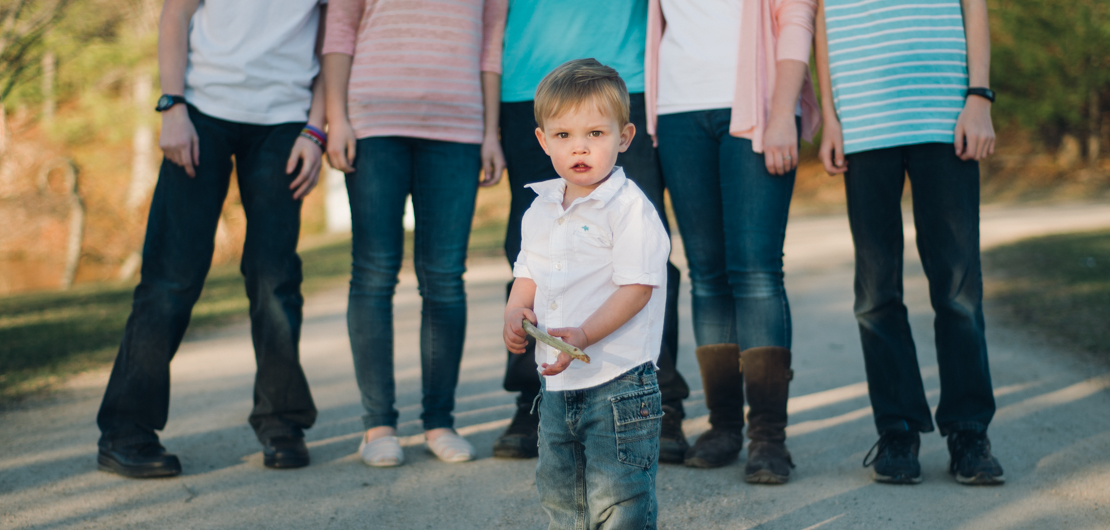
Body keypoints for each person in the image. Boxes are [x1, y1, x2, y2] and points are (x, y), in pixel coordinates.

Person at [96, 0, 328, 478]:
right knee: (171, 277)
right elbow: (175, 14)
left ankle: (281, 421)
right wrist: (172, 104)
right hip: (201, 112)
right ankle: (126, 429)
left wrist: (315, 129)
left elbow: (333, 41)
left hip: (285, 122)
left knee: (275, 276)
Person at [503, 60, 669, 530]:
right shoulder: (542, 207)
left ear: (623, 137)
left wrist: (586, 333)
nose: (581, 147)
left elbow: (637, 288)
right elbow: (528, 271)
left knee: (620, 487)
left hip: (620, 377)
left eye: (596, 134)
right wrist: (513, 308)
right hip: (560, 379)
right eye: (566, 135)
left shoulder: (630, 210)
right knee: (562, 484)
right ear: (542, 140)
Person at [491, 0, 691, 464]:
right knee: (538, 240)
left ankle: (657, 400)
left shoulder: (618, 131)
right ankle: (535, 394)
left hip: (625, 79)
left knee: (637, 246)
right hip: (529, 78)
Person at [815, 0, 1004, 485]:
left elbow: (973, 5)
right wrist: (830, 117)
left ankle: (968, 431)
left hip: (945, 119)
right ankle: (898, 429)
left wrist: (979, 96)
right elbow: (821, 19)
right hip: (864, 125)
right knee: (876, 293)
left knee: (958, 289)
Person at [322, 0, 507, 467]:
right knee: (373, 273)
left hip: (458, 128)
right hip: (373, 123)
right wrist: (337, 118)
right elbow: (340, 32)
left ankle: (439, 421)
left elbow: (490, 48)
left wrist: (490, 132)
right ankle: (377, 426)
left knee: (444, 277)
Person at [646, 0, 820, 485]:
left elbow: (797, 17)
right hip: (678, 111)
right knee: (707, 274)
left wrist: (784, 111)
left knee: (757, 271)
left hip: (758, 105)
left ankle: (768, 438)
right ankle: (722, 427)